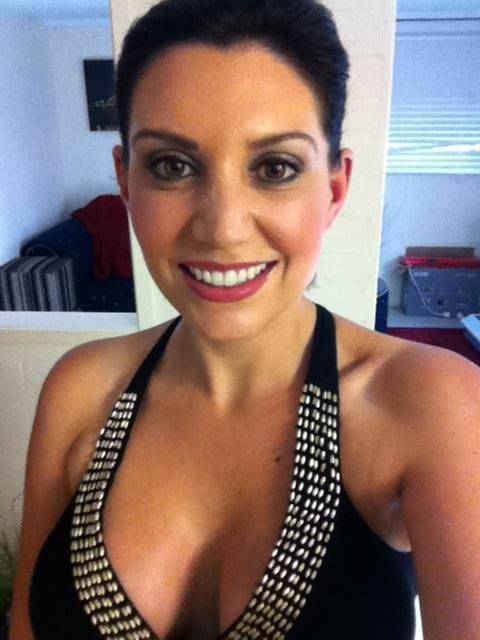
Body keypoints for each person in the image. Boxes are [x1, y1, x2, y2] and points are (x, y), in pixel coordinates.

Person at [9, 0, 480, 638]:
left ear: (334, 189)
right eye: (172, 166)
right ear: (125, 181)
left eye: (275, 168)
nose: (223, 229)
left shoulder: (432, 404)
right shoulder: (80, 389)